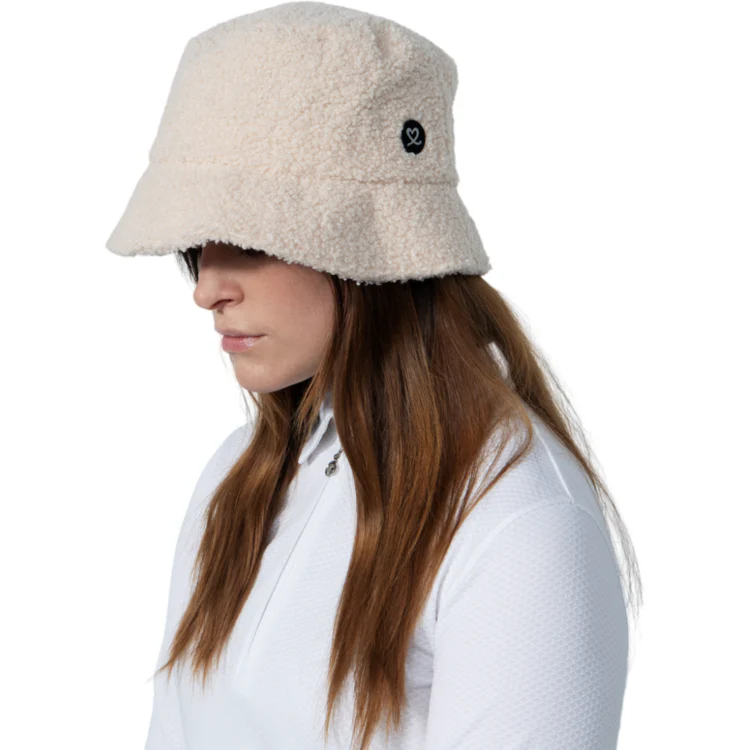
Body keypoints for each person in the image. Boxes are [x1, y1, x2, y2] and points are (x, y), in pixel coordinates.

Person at [106, 4, 642, 749]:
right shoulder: (237, 478)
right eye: (196, 246)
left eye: (246, 239)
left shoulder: (516, 519)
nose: (206, 288)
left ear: (370, 249)